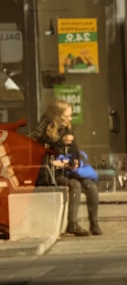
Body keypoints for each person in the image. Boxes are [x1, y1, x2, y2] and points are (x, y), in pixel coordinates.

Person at [31, 100, 101, 236]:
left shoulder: (66, 129)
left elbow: (74, 150)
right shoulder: (45, 129)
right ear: (56, 116)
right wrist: (59, 146)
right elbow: (37, 148)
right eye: (66, 116)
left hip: (67, 170)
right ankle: (72, 223)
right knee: (74, 185)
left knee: (90, 186)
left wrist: (74, 160)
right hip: (50, 172)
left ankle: (94, 223)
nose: (69, 119)